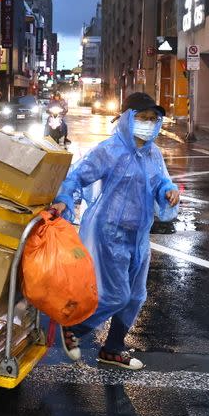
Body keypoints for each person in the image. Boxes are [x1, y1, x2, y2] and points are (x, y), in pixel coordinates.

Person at [50, 92, 180, 370]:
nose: (148, 124)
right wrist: (63, 201)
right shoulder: (110, 150)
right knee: (116, 294)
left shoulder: (152, 153)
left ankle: (113, 349)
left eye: (153, 119)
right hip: (109, 233)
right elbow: (75, 177)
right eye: (142, 118)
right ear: (127, 119)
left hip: (138, 236)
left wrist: (168, 192)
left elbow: (161, 182)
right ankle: (75, 328)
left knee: (135, 296)